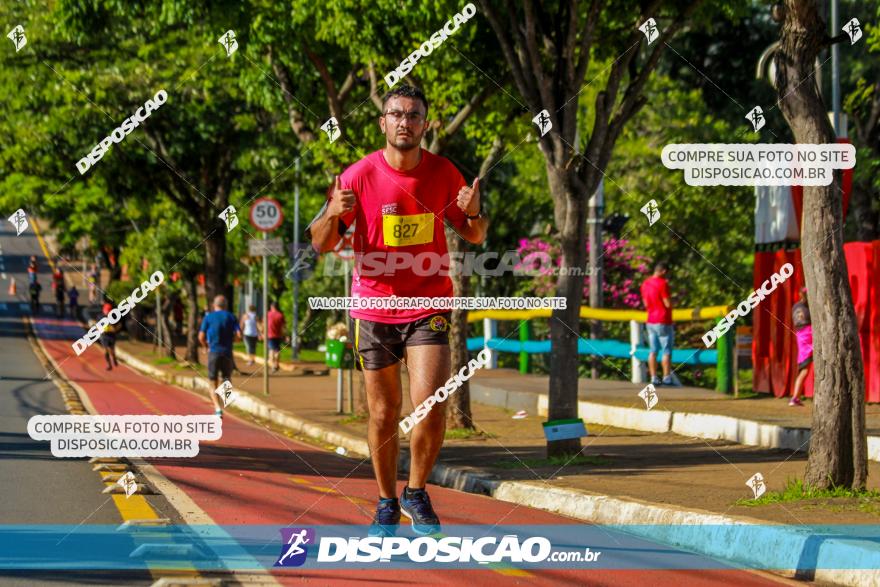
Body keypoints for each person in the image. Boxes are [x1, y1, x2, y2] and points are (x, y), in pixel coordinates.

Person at [307, 85, 488, 537]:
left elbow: (475, 235)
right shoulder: (357, 175)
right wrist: (332, 213)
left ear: (425, 124)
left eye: (413, 114)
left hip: (428, 304)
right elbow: (321, 242)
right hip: (373, 308)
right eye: (395, 114)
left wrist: (476, 212)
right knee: (384, 413)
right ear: (382, 122)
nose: (404, 121)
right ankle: (387, 501)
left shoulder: (444, 173)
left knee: (430, 403)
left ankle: (417, 491)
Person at [198, 295, 241, 417]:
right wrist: (232, 341)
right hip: (227, 353)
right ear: (226, 305)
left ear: (214, 305)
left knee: (213, 381)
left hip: (214, 352)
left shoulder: (208, 317)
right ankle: (226, 404)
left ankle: (217, 408)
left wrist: (205, 346)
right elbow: (239, 335)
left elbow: (201, 337)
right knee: (226, 379)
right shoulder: (231, 317)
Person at [640, 261, 676, 386]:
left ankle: (654, 377)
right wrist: (674, 302)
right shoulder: (663, 284)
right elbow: (667, 303)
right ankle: (667, 378)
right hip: (663, 320)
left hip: (650, 320)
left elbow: (645, 304)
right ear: (664, 271)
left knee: (653, 350)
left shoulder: (645, 283)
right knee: (666, 351)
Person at [790, 288, 812, 407]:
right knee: (805, 369)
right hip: (809, 334)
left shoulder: (795, 306)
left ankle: (796, 397)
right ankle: (795, 397)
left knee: (804, 368)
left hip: (800, 335)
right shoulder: (809, 306)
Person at [266, 302, 285, 373]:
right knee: (277, 350)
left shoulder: (268, 314)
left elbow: (264, 324)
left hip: (270, 335)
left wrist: (262, 333)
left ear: (272, 306)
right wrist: (284, 335)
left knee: (271, 350)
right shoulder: (280, 315)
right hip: (278, 335)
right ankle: (276, 364)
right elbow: (283, 326)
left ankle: (274, 365)